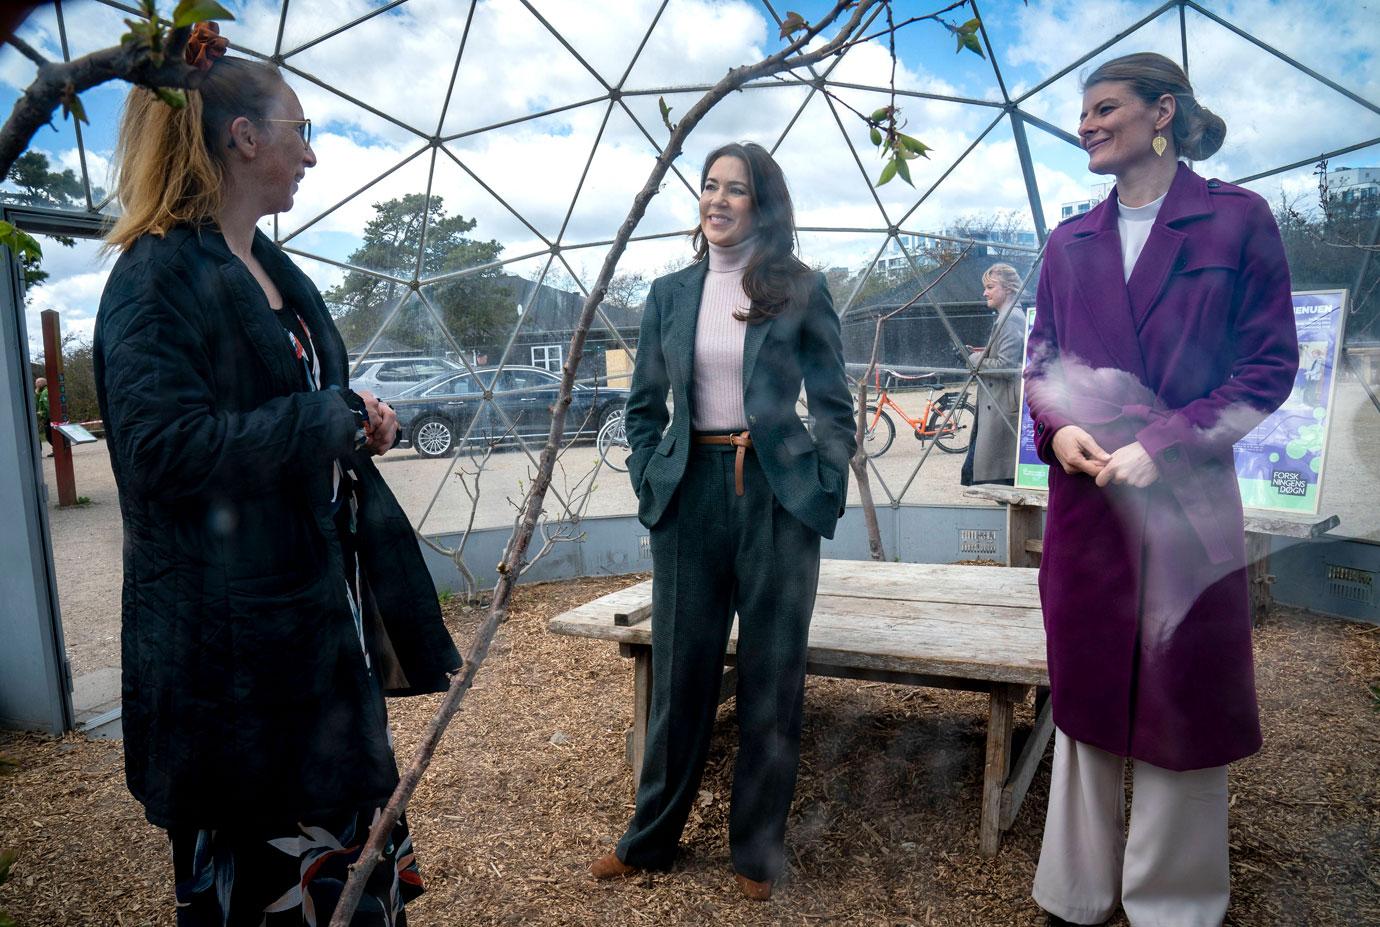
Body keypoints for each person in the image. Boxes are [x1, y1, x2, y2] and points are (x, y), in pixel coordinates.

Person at [93, 23, 461, 925]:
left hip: (305, 638)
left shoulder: (266, 266)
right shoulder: (155, 278)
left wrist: (351, 424)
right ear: (243, 137)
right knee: (272, 887)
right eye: (299, 128)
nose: (312, 154)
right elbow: (159, 452)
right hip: (230, 666)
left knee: (345, 873)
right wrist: (317, 420)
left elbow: (287, 412)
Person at [1023, 52, 1298, 926]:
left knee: (1185, 702)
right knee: (1088, 698)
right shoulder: (1069, 242)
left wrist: (1165, 443)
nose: (1087, 125)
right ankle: (1077, 890)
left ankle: (1173, 903)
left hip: (1186, 510)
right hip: (1089, 511)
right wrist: (1054, 429)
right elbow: (1039, 363)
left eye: (1105, 108)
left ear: (1163, 112)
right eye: (1083, 113)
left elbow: (1268, 369)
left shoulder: (1237, 222)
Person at [589, 141, 856, 900]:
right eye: (710, 186)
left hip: (776, 491)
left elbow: (835, 405)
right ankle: (650, 839)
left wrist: (821, 489)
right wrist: (651, 482)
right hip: (690, 492)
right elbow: (643, 408)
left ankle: (756, 851)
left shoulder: (799, 288)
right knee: (681, 674)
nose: (719, 200)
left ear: (762, 204)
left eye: (736, 189)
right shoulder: (669, 294)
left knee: (773, 677)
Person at [961, 263, 1027, 486]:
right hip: (997, 405)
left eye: (990, 287)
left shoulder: (1010, 318)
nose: (985, 292)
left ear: (1007, 288)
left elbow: (1007, 365)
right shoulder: (1007, 316)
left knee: (1001, 480)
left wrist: (973, 359)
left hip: (1002, 408)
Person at [33, 376, 51, 455]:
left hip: (49, 418)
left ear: (41, 383)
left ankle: (58, 450)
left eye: (37, 383)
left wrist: (42, 415)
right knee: (50, 435)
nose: (35, 385)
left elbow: (47, 406)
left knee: (49, 435)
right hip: (48, 417)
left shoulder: (44, 393)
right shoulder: (42, 392)